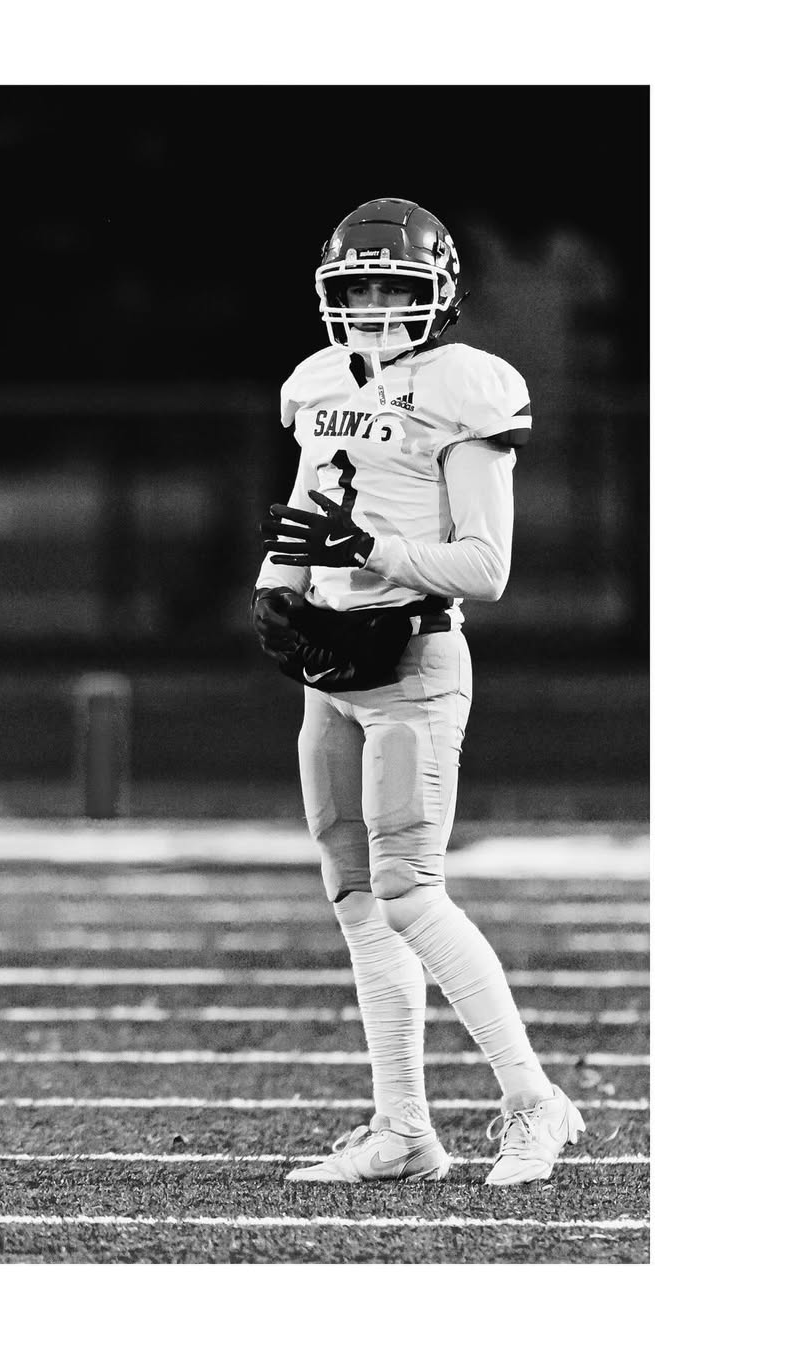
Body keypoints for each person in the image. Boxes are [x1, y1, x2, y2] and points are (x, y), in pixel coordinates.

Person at [252, 197, 585, 1185]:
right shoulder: (317, 381)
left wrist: (374, 550)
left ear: (436, 293)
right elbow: (308, 509)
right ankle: (402, 1131)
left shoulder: (466, 388)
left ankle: (534, 1101)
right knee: (355, 894)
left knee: (408, 892)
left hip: (413, 661)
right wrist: (275, 586)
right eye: (356, 289)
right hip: (332, 670)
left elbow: (486, 567)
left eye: (391, 287)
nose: (373, 307)